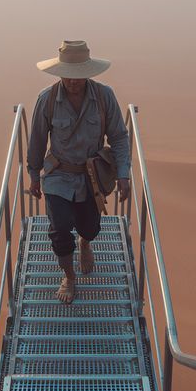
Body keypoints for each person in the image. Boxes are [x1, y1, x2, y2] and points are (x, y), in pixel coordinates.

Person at [27, 40, 132, 303]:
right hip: (58, 175)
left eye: (79, 76)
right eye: (69, 75)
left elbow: (119, 136)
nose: (73, 81)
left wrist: (123, 174)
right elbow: (37, 141)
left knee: (91, 227)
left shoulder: (104, 96)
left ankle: (85, 243)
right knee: (59, 228)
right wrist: (33, 176)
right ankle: (69, 276)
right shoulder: (47, 99)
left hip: (91, 177)